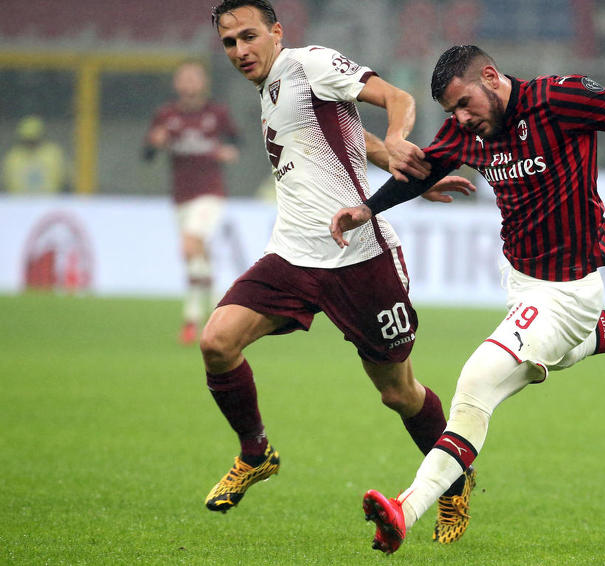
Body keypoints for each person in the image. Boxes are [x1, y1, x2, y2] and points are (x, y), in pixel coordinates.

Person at [330, 45, 605, 554]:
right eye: (452, 113)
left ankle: (406, 509)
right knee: (567, 348)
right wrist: (367, 209)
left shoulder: (561, 99)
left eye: (466, 104)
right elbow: (423, 172)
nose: (462, 119)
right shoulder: (468, 134)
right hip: (519, 279)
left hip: (569, 290)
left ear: (490, 76)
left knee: (476, 384)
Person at [204, 0, 479, 545]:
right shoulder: (272, 88)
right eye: (230, 43)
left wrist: (402, 137)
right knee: (217, 342)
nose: (240, 51)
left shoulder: (309, 64)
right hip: (292, 256)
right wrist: (409, 174)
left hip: (361, 258)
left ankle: (453, 482)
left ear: (277, 32)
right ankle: (256, 453)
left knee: (398, 393)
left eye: (249, 37)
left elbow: (396, 99)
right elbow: (355, 141)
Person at [144, 60, 241, 345]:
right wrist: (154, 143)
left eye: (194, 78)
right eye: (183, 78)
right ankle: (212, 314)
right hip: (181, 196)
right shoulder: (166, 115)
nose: (188, 83)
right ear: (176, 84)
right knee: (196, 256)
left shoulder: (216, 113)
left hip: (211, 193)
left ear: (203, 83)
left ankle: (194, 316)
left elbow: (237, 141)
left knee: (189, 245)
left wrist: (229, 152)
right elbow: (147, 153)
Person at [2, 115, 68, 194]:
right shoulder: (13, 156)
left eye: (34, 140)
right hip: (18, 203)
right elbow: (6, 182)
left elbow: (64, 179)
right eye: (28, 140)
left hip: (50, 201)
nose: (30, 143)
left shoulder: (53, 153)